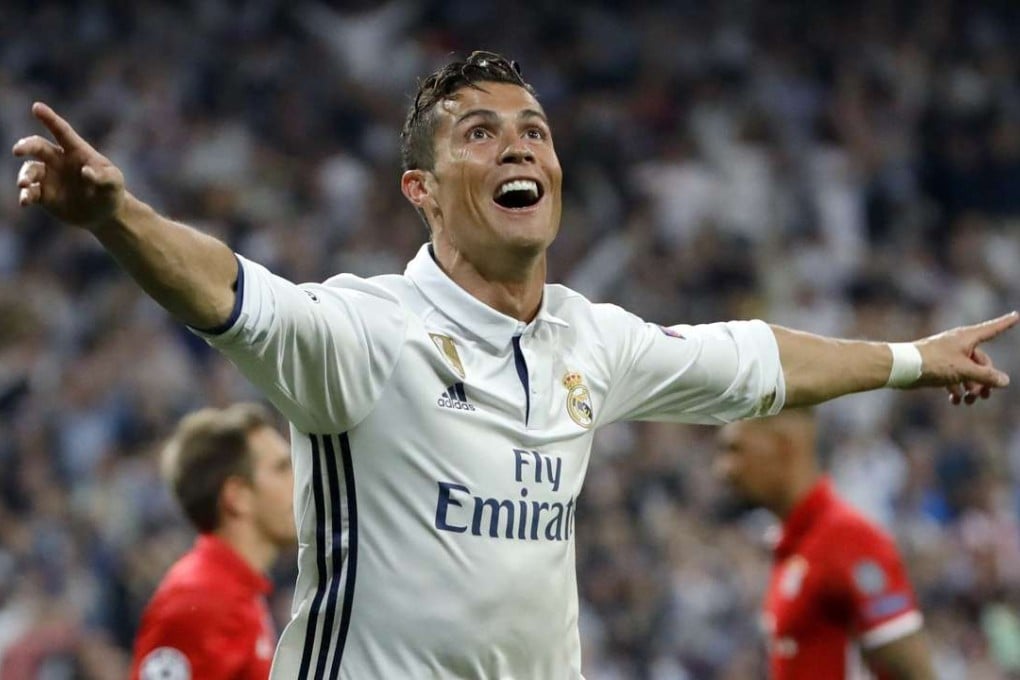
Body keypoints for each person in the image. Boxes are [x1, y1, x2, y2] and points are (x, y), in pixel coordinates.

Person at [11, 50, 1016, 679]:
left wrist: (909, 358)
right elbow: (228, 292)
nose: (516, 146)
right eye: (479, 133)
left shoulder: (591, 337)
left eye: (532, 129)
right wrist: (116, 217)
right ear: (422, 189)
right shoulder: (367, 332)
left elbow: (753, 359)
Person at [716, 409, 935, 679]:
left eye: (736, 450)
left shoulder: (849, 541)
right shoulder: (792, 545)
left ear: (784, 446)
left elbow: (915, 672)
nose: (724, 470)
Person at [129, 403, 295, 680]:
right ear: (237, 496)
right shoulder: (199, 601)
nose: (300, 480)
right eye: (281, 469)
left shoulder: (235, 594)